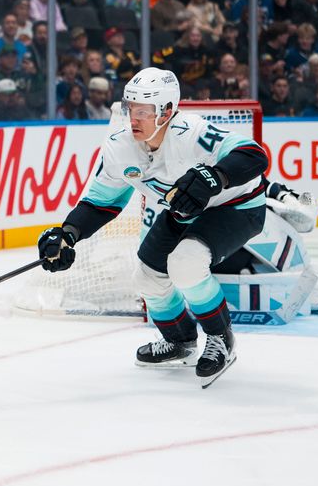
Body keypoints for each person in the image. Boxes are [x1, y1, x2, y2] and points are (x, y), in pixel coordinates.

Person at [37, 67, 268, 387]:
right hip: (185, 211)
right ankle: (180, 340)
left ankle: (220, 339)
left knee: (185, 264)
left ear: (168, 111)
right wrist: (68, 234)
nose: (134, 117)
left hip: (238, 206)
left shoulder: (192, 133)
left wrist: (217, 177)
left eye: (144, 111)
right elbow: (100, 203)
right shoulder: (119, 147)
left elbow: (254, 155)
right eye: (131, 108)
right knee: (146, 276)